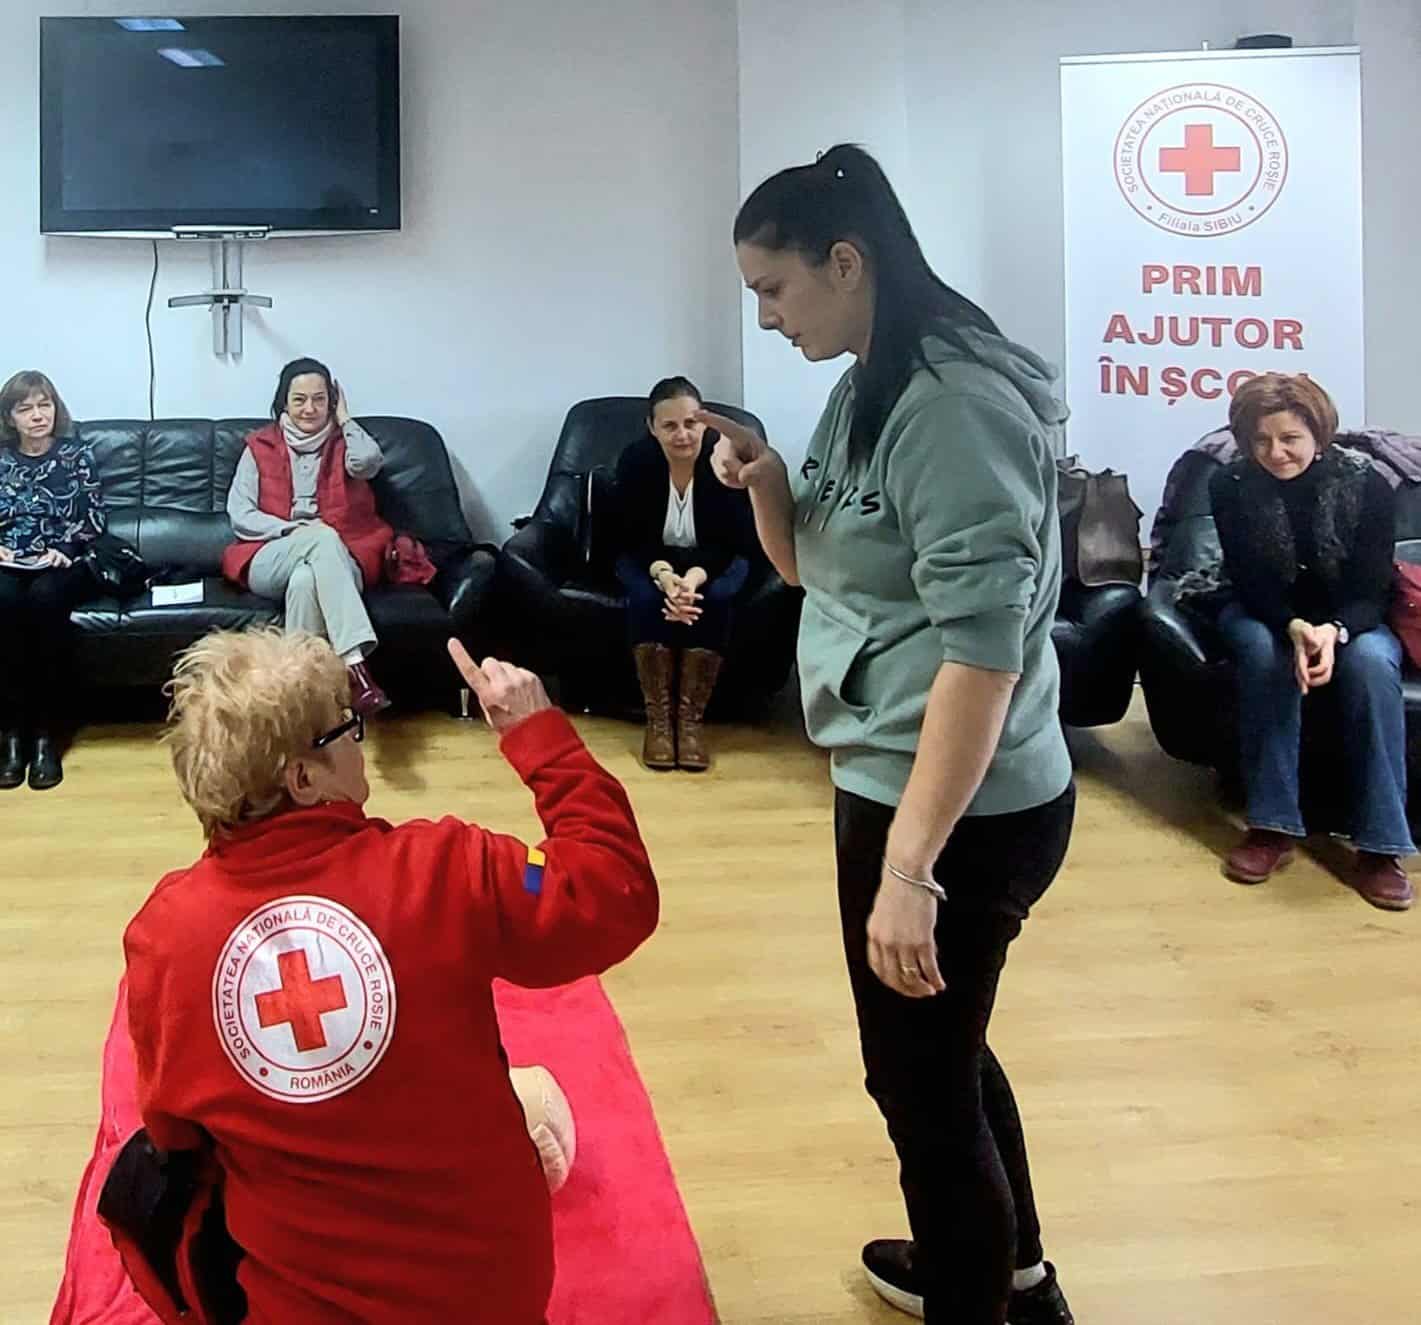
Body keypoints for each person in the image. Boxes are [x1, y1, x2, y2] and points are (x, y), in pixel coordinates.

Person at [705, 145, 1076, 1325]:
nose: (763, 317)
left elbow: (983, 654)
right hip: (891, 769)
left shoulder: (953, 406)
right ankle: (1012, 1273)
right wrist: (764, 482)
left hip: (960, 804)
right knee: (941, 1051)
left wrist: (910, 868)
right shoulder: (863, 377)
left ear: (845, 260)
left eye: (772, 289)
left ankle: (981, 1295)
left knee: (915, 1083)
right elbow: (817, 567)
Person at [118, 627, 659, 1324]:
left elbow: (173, 1131)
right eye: (346, 728)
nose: (360, 736)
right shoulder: (446, 868)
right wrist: (539, 736)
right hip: (487, 1293)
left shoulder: (165, 933)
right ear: (302, 777)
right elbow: (613, 893)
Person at [1210, 372, 1414, 909]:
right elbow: (1248, 581)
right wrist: (1293, 626)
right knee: (1262, 652)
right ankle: (1272, 827)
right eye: (1261, 440)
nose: (1275, 453)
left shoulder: (1367, 483)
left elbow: (1373, 587)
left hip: (1351, 617)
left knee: (1371, 665)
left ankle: (1380, 846)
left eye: (1289, 439)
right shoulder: (1229, 486)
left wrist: (1335, 630)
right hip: (1264, 611)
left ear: (1318, 435)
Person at [222, 357, 394, 716]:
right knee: (318, 537)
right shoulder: (259, 446)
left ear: (332, 401)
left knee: (305, 580)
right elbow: (241, 515)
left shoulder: (345, 442)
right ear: (283, 402)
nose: (310, 408)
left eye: (320, 399)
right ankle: (354, 664)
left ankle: (302, 699)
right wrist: (290, 529)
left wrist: (345, 419)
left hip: (338, 557)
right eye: (299, 399)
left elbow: (370, 463)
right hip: (271, 552)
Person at [613, 376, 760, 770]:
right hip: (649, 559)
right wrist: (664, 576)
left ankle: (690, 723)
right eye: (670, 426)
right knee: (644, 597)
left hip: (715, 559)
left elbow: (732, 540)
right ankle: (659, 722)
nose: (682, 435)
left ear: (704, 423)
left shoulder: (723, 459)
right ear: (652, 428)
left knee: (717, 597)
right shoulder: (636, 461)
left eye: (691, 423)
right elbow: (629, 535)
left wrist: (692, 580)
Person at [0, 370, 105, 791]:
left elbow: (94, 519)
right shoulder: (1, 459)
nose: (37, 415)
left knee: (45, 601)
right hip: (7, 562)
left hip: (62, 562)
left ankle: (45, 736)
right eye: (26, 408)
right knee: (4, 602)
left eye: (44, 405)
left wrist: (66, 550)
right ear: (10, 418)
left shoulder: (76, 456)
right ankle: (10, 735)